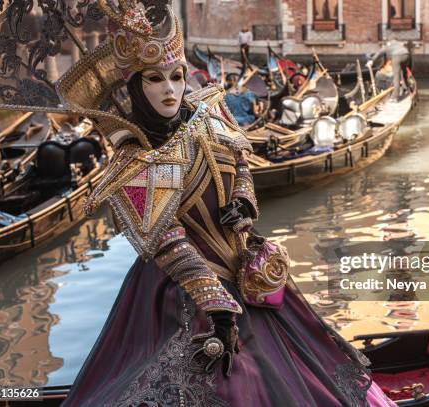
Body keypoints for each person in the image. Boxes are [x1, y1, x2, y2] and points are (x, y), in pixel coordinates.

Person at [59, 1, 396, 406]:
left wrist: (244, 201)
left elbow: (240, 162)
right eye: (155, 79)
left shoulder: (210, 114)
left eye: (177, 76)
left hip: (248, 268)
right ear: (136, 87)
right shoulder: (134, 161)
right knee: (227, 381)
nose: (170, 89)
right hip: (185, 290)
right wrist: (217, 306)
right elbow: (169, 240)